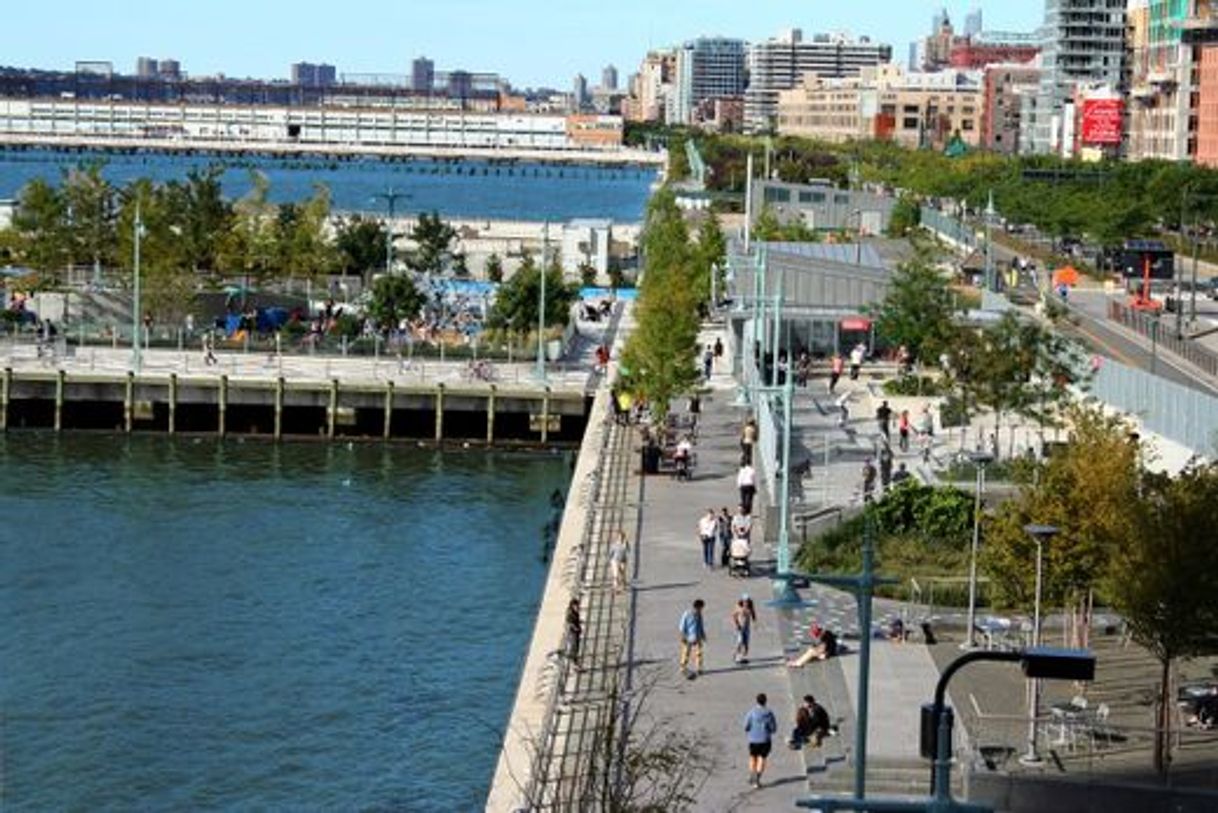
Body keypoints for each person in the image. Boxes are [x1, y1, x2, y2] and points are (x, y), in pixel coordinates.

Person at [744, 693, 778, 788]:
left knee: (752, 757)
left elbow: (746, 726)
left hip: (753, 739)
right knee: (762, 758)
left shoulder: (751, 712)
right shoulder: (769, 713)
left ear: (756, 701)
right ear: (765, 701)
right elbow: (774, 728)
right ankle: (757, 779)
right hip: (765, 740)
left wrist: (750, 730)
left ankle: (752, 774)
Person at [678, 599, 707, 679]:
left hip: (697, 636)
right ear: (697, 607)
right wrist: (682, 636)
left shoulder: (699, 615)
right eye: (701, 608)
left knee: (699, 653)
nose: (701, 609)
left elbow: (701, 625)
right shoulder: (687, 614)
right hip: (688, 637)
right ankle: (683, 667)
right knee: (686, 652)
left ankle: (699, 668)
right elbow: (682, 626)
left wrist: (703, 635)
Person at [732, 596, 757, 663]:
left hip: (747, 627)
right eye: (745, 601)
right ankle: (737, 656)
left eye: (747, 601)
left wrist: (754, 622)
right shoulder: (739, 607)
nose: (746, 603)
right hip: (740, 627)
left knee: (746, 643)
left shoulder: (750, 607)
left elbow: (753, 614)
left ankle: (741, 657)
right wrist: (737, 625)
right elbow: (734, 616)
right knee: (740, 641)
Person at [565, 597, 583, 664]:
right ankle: (574, 662)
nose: (578, 607)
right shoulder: (570, 613)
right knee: (574, 647)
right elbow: (569, 623)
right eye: (577, 606)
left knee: (577, 647)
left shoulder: (576, 612)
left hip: (576, 632)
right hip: (572, 633)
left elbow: (576, 621)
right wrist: (575, 628)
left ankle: (575, 661)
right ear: (573, 606)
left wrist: (579, 625)